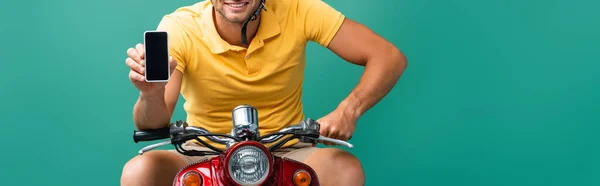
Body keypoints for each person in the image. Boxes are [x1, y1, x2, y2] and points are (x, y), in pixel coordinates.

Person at [121, 0, 407, 185]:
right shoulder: (180, 27)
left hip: (287, 146)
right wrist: (150, 95)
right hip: (204, 150)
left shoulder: (299, 9)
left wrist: (348, 111)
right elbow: (153, 124)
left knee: (345, 169)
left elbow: (389, 57)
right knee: (139, 172)